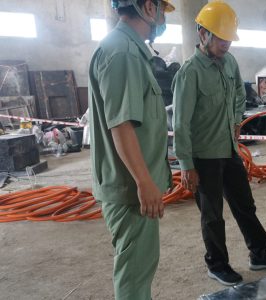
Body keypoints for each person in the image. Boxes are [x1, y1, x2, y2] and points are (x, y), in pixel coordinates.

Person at [171, 1, 266, 286]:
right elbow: (180, 124)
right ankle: (217, 264)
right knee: (212, 215)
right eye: (220, 38)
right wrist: (186, 164)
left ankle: (259, 252)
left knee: (244, 204)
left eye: (228, 39)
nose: (226, 45)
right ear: (203, 34)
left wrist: (236, 119)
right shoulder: (190, 73)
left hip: (228, 149)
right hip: (203, 156)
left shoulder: (230, 62)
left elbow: (239, 91)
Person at [88, 0, 175, 298]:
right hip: (129, 190)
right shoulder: (123, 53)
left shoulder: (128, 49)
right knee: (135, 276)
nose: (163, 17)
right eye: (162, 8)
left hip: (132, 185)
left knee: (139, 267)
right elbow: (122, 125)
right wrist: (144, 182)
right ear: (148, 7)